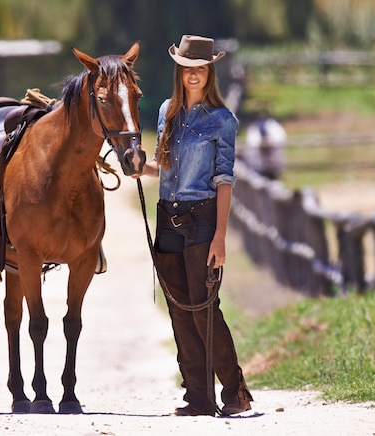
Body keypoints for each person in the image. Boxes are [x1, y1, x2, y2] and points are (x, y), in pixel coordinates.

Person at [137, 35, 253, 417]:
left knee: (205, 308)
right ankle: (198, 398)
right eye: (188, 67)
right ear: (179, 69)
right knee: (179, 309)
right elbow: (164, 166)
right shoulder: (166, 111)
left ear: (210, 71)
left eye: (201, 68)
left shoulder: (223, 120)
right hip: (167, 217)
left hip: (202, 220)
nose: (194, 74)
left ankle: (234, 393)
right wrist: (139, 167)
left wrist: (220, 236)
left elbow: (224, 181)